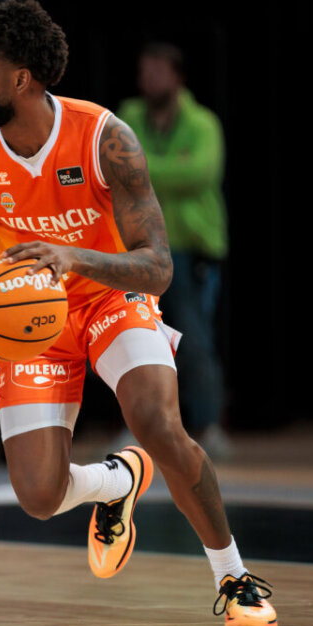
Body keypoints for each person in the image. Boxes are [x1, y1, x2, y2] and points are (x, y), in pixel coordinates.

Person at [0, 0, 276, 626]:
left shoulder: (106, 137)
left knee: (157, 422)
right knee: (40, 497)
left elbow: (157, 267)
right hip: (32, 324)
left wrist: (73, 257)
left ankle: (233, 577)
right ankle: (115, 483)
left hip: (110, 296)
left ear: (19, 79)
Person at [117, 43, 231, 459]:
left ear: (178, 77)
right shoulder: (128, 116)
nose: (150, 79)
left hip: (191, 247)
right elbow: (114, 169)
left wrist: (142, 170)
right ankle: (140, 426)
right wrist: (154, 171)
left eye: (159, 71)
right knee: (133, 335)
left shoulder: (202, 123)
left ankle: (208, 425)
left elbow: (199, 173)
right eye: (145, 71)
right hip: (138, 245)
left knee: (195, 340)